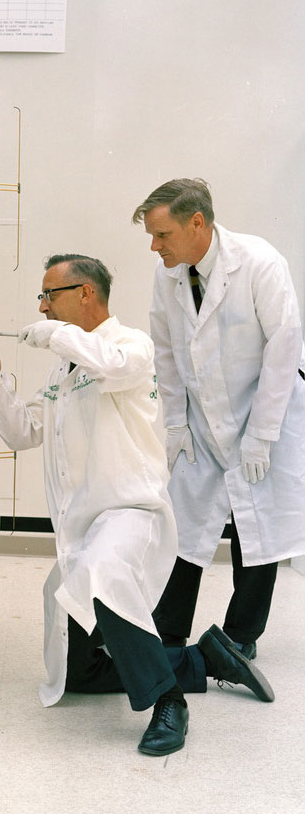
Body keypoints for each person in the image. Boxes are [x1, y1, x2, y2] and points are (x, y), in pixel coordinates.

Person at [0, 253, 274, 758]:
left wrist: (53, 334)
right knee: (78, 672)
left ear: (85, 293)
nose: (41, 306)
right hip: (83, 527)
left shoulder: (130, 346)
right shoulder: (65, 369)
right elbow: (22, 432)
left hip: (131, 513)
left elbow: (110, 365)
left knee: (106, 574)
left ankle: (169, 703)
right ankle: (203, 661)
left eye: (48, 295)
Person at [133, 178, 305, 660]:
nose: (154, 246)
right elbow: (164, 351)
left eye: (162, 235)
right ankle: (168, 634)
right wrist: (174, 422)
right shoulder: (168, 274)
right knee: (183, 525)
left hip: (262, 412)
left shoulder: (259, 261)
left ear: (197, 222)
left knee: (257, 531)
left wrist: (262, 434)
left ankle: (240, 639)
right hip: (201, 422)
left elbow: (283, 347)